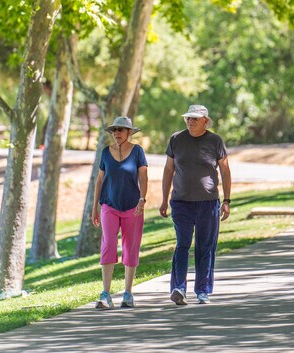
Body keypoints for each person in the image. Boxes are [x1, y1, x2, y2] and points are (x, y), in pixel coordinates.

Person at [159, 104, 232, 305]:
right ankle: (178, 288)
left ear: (205, 121)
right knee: (182, 244)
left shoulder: (215, 141)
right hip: (181, 202)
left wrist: (226, 200)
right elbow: (168, 170)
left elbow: (225, 171)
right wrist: (164, 199)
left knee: (205, 247)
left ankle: (203, 291)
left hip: (208, 203)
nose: (190, 122)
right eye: (188, 118)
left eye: (195, 119)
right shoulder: (176, 139)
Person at [92, 116, 148, 309]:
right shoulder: (106, 153)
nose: (116, 134)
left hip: (133, 207)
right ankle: (106, 294)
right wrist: (95, 208)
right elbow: (100, 180)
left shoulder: (138, 151)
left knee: (131, 247)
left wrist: (142, 199)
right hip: (109, 205)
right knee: (108, 244)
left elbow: (143, 176)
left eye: (120, 130)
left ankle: (128, 293)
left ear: (129, 133)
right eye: (114, 130)